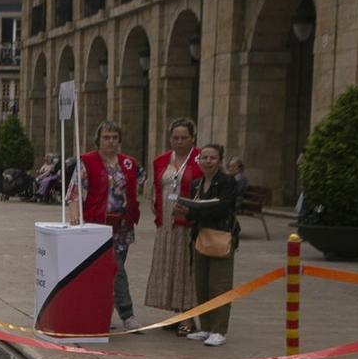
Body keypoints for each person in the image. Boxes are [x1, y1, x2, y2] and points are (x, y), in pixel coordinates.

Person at [76, 121, 142, 330]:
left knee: (111, 271)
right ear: (98, 140)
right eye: (106, 137)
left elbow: (138, 186)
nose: (111, 141)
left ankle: (104, 312)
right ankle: (127, 313)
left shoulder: (129, 163)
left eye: (114, 137)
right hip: (97, 225)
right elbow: (74, 191)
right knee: (116, 269)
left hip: (122, 228)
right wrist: (74, 218)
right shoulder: (87, 161)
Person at [177, 143, 241, 347]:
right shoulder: (196, 183)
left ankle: (219, 330)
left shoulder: (227, 181)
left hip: (221, 236)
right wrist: (188, 211)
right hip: (201, 236)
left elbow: (223, 208)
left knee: (219, 285)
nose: (208, 161)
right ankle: (205, 326)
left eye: (212, 158)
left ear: (220, 160)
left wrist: (195, 211)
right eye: (204, 158)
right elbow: (194, 213)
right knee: (202, 284)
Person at [147, 118, 203, 334]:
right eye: (175, 138)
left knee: (187, 271)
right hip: (167, 225)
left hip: (188, 225)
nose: (179, 142)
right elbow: (155, 187)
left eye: (184, 138)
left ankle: (189, 317)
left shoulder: (200, 159)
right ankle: (178, 313)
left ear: (192, 138)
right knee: (170, 270)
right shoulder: (161, 160)